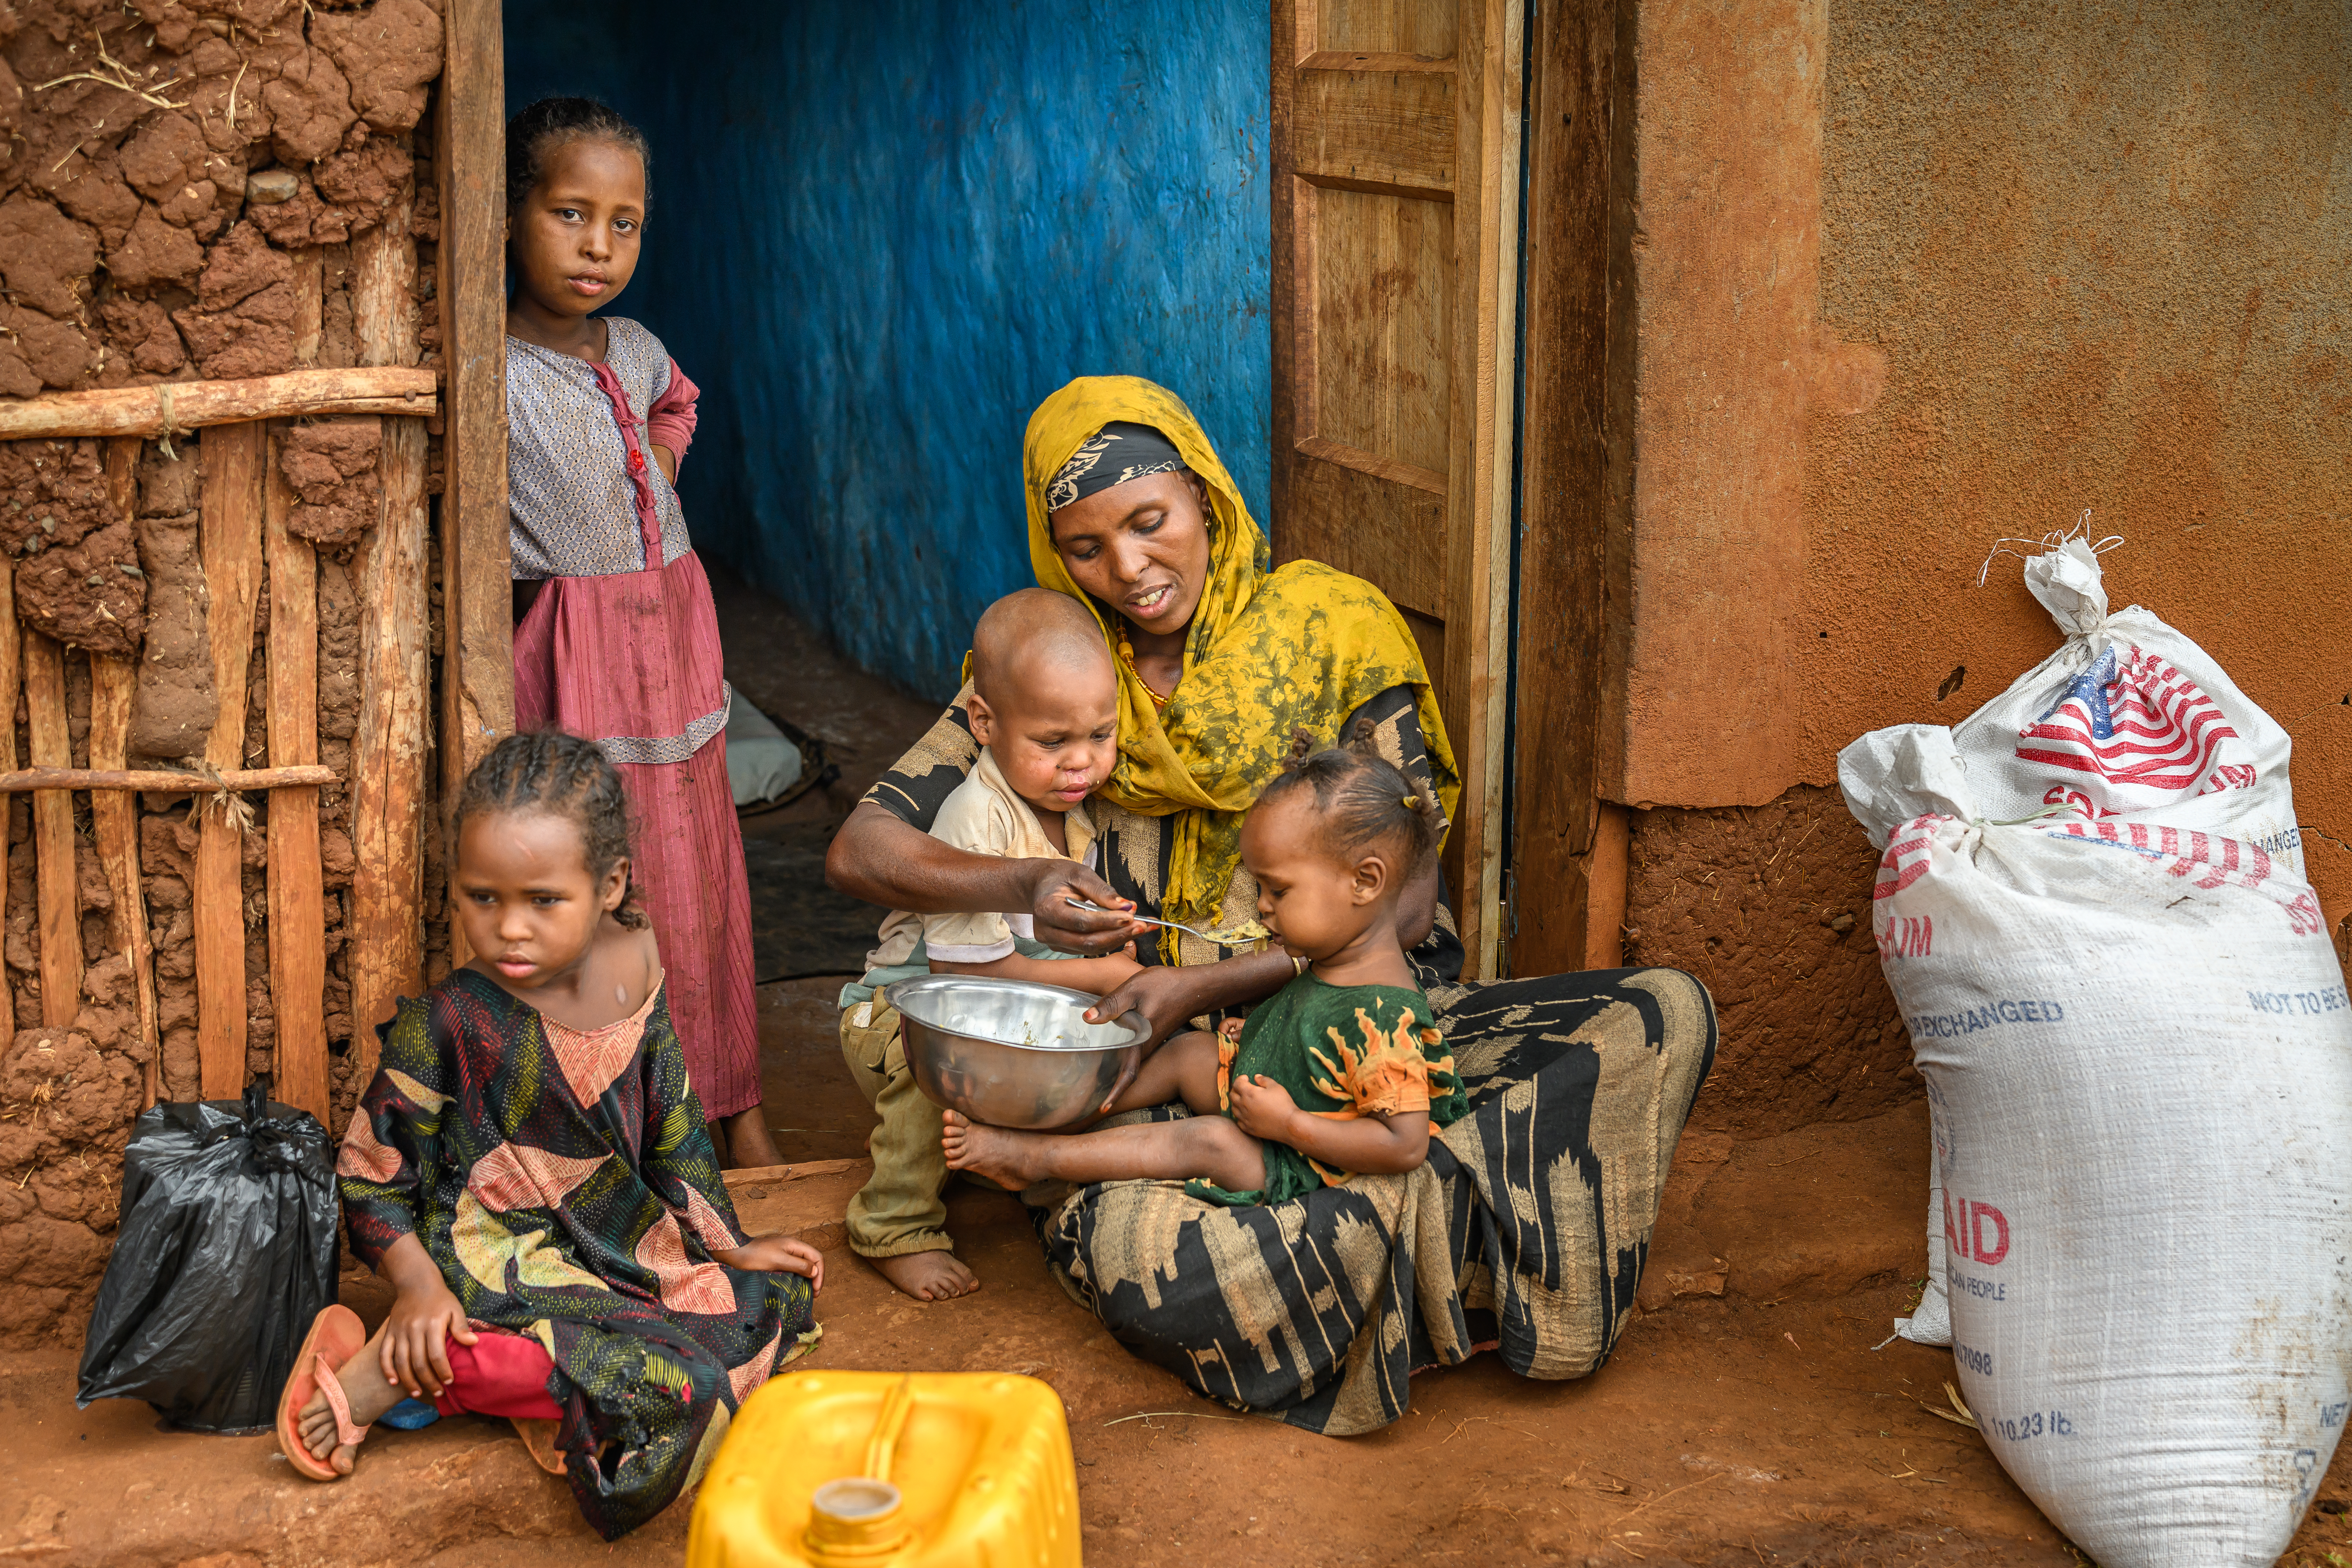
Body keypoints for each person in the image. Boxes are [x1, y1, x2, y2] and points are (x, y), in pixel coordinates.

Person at [828, 374, 1716, 1432]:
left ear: (1204, 494)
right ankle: (1414, 1223)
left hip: (1341, 1019)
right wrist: (1022, 882)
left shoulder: (1331, 628)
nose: (1127, 569)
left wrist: (1204, 980)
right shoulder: (1054, 664)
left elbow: (1407, 902)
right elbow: (863, 847)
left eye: (1150, 522)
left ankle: (1359, 1218)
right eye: (1084, 546)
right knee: (1145, 1253)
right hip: (1155, 1074)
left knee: (1657, 1013)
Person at [278, 732, 822, 1539]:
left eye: (543, 900)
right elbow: (368, 1175)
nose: (510, 930)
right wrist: (418, 1287)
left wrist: (726, 1242)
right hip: (491, 1253)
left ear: (610, 886)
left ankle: (463, 1371)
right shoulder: (448, 1021)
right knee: (675, 1387)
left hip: (613, 1238)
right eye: (482, 898)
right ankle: (415, 1368)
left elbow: (672, 1113)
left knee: (774, 1304)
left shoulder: (636, 960)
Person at [499, 95, 778, 1168]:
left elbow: (678, 402)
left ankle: (735, 1098)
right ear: (514, 212)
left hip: (676, 635)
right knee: (614, 875)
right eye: (571, 213)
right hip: (580, 655)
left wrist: (661, 470)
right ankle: (630, 1125)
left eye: (625, 222)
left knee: (704, 866)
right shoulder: (494, 370)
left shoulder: (638, 345)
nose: (599, 246)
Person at [944, 729, 1466, 1200]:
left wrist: (1289, 1127)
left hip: (1307, 1157)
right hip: (1284, 1100)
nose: (1262, 906)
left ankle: (1035, 1159)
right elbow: (1312, 1016)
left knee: (1210, 1141)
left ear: (1366, 882)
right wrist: (1265, 1034)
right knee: (1193, 1053)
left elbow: (1403, 1146)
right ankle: (1053, 1116)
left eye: (1278, 890)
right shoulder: (1339, 962)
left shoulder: (1382, 1018)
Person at [837, 588, 1143, 1298]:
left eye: (1101, 735)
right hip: (904, 1010)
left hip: (1008, 1000)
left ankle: (1021, 1165)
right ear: (983, 720)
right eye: (1053, 742)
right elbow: (958, 980)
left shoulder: (1081, 808)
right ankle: (894, 1222)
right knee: (934, 1070)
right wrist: (1105, 975)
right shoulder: (975, 818)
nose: (1081, 763)